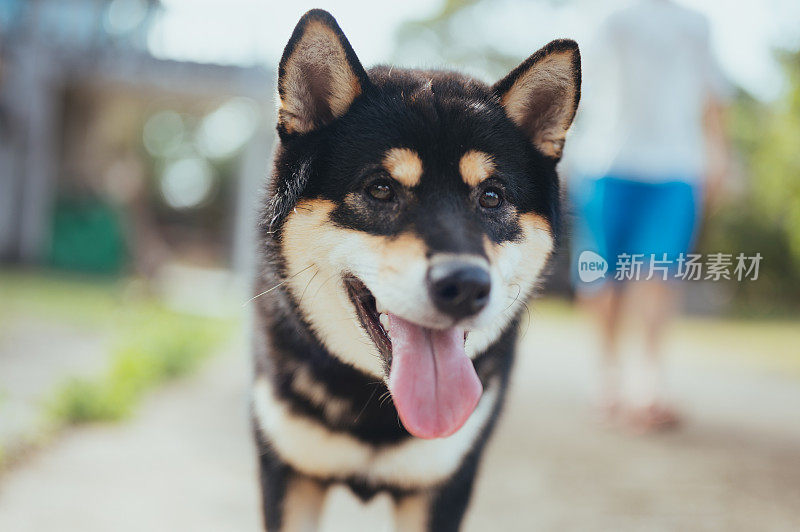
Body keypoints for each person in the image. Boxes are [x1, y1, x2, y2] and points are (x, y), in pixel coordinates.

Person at [566, 0, 730, 432]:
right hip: (606, 163)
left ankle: (646, 381)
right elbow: (576, 85)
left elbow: (715, 94)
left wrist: (719, 155)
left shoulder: (697, 24)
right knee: (599, 274)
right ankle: (607, 370)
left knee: (658, 270)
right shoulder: (608, 16)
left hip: (676, 166)